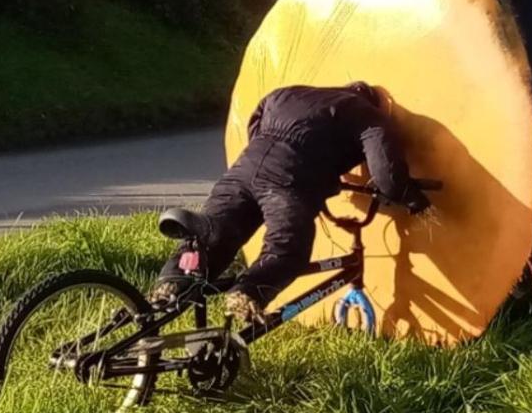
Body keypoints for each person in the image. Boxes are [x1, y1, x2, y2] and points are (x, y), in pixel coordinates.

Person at [150, 82, 431, 322]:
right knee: (287, 248)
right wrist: (413, 198)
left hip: (242, 172)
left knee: (216, 238)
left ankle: (170, 284)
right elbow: (387, 175)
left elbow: (255, 126)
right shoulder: (367, 114)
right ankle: (247, 292)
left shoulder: (285, 93)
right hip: (286, 181)